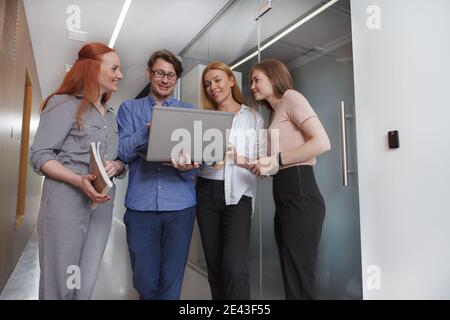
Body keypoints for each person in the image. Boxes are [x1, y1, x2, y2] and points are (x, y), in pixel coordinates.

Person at [29, 42, 125, 300]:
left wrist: (115, 165)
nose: (120, 75)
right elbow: (39, 155)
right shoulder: (64, 103)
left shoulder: (111, 117)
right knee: (60, 286)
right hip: (65, 204)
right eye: (114, 68)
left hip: (101, 208)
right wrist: (76, 179)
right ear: (93, 69)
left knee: (85, 285)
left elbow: (115, 160)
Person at [117, 49, 198, 300]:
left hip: (180, 206)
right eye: (160, 73)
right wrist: (147, 132)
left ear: (177, 79)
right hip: (141, 207)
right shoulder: (129, 109)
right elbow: (122, 151)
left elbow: (200, 157)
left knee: (171, 282)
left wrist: (189, 167)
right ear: (149, 74)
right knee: (144, 280)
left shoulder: (190, 111)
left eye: (171, 76)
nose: (165, 80)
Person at [248, 59, 331, 300]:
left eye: (257, 79)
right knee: (291, 277)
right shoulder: (275, 114)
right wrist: (262, 164)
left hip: (301, 192)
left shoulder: (291, 98)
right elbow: (274, 163)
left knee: (299, 280)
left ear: (274, 78)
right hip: (284, 193)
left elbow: (322, 143)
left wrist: (278, 161)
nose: (252, 86)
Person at [196, 61, 265, 300]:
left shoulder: (253, 118)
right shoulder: (203, 118)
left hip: (239, 196)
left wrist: (237, 157)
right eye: (207, 84)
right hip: (206, 193)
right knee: (214, 268)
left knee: (235, 268)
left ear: (231, 80)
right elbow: (198, 160)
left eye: (217, 80)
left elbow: (263, 163)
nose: (212, 87)